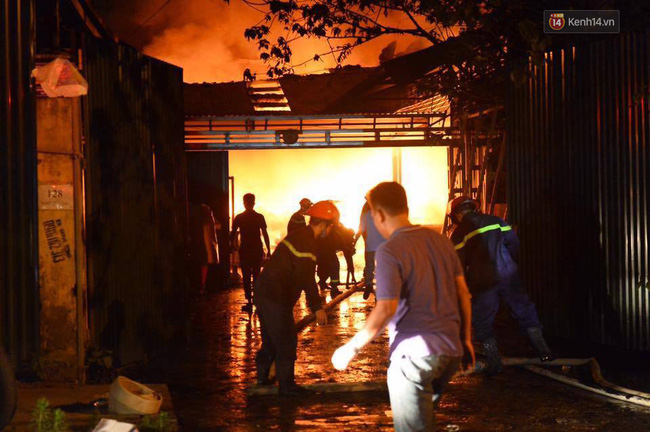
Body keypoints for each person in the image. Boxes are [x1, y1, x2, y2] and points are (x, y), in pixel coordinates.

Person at [332, 182, 475, 432]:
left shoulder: (389, 250)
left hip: (413, 358)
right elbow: (463, 293)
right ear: (406, 208)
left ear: (377, 215)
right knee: (424, 421)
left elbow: (386, 307)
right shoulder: (441, 241)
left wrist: (351, 348)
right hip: (450, 353)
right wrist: (466, 341)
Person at [448, 196, 554, 376]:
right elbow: (513, 243)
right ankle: (543, 350)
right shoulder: (495, 221)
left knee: (483, 319)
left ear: (457, 214)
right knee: (523, 309)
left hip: (483, 281)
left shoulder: (459, 233)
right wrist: (509, 262)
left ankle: (494, 362)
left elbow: (458, 265)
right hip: (508, 273)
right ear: (474, 208)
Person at [255, 201, 337, 396]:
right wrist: (317, 307)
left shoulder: (302, 236)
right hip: (275, 295)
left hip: (265, 291)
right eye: (331, 225)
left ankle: (263, 380)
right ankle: (286, 387)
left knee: (270, 340)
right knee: (286, 340)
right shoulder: (307, 242)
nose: (331, 229)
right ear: (325, 224)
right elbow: (307, 277)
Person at [231, 193, 271, 312]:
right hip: (257, 250)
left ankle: (249, 301)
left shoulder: (239, 218)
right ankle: (257, 301)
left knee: (246, 276)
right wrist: (268, 249)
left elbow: (232, 233)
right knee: (257, 275)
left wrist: (230, 246)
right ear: (254, 203)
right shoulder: (259, 217)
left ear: (244, 203)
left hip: (245, 250)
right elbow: (264, 233)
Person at [353, 201, 386, 300]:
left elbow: (361, 229)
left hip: (370, 246)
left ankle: (368, 284)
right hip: (382, 246)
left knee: (369, 266)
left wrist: (354, 241)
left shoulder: (365, 215)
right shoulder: (383, 214)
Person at [316, 223, 355, 298]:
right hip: (326, 250)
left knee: (324, 265)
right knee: (334, 265)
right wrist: (351, 269)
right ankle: (333, 288)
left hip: (321, 249)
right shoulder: (341, 236)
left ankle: (322, 282)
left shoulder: (338, 231)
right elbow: (348, 256)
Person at [188, 203, 220, 295]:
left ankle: (202, 286)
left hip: (202, 246)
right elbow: (217, 227)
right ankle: (203, 286)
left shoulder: (197, 220)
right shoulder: (207, 218)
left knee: (203, 265)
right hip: (205, 247)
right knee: (204, 265)